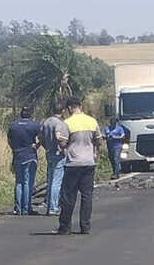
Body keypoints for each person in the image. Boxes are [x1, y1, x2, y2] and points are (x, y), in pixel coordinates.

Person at [57, 96, 102, 235]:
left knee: (68, 196)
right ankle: (85, 226)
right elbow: (99, 141)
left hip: (73, 163)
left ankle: (65, 227)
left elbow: (63, 143)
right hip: (89, 163)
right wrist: (94, 153)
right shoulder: (91, 121)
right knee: (87, 196)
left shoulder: (67, 123)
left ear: (70, 108)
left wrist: (59, 140)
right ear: (80, 106)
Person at [7, 106, 41, 216]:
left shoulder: (13, 126)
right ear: (30, 114)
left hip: (17, 155)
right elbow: (42, 137)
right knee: (28, 182)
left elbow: (9, 141)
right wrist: (37, 145)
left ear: (21, 114)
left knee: (19, 182)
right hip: (30, 155)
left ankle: (18, 208)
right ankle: (27, 208)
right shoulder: (34, 125)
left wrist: (14, 149)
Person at [40, 103, 69, 216]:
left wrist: (45, 146)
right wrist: (64, 144)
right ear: (62, 111)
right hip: (58, 153)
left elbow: (40, 136)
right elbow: (58, 136)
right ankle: (53, 206)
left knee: (50, 179)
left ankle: (49, 204)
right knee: (57, 181)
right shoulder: (59, 123)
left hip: (49, 152)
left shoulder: (46, 122)